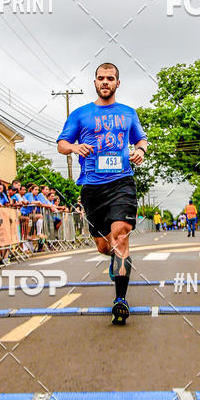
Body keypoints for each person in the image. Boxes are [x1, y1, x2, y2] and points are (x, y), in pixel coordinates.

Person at [57, 62, 147, 325]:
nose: (105, 82)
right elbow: (61, 143)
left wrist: (140, 151)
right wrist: (74, 147)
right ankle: (113, 261)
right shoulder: (80, 114)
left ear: (118, 83)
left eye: (110, 78)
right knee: (103, 246)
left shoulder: (129, 113)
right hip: (92, 187)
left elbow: (141, 140)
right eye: (100, 78)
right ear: (94, 82)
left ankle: (120, 300)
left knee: (120, 238)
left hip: (122, 183)